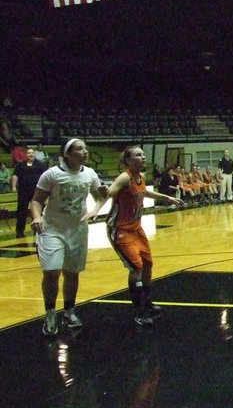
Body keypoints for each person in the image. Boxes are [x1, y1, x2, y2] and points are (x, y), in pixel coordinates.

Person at [29, 138, 108, 335]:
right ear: (67, 153)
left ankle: (69, 311)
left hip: (77, 230)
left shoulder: (90, 173)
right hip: (52, 229)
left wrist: (95, 209)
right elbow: (36, 201)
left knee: (72, 273)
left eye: (85, 148)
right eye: (80, 148)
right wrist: (37, 217)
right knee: (52, 271)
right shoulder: (51, 174)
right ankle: (50, 313)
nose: (85, 151)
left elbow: (101, 195)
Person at [99, 146, 183, 326]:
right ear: (128, 160)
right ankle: (139, 311)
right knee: (136, 267)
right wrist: (104, 191)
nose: (143, 157)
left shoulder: (141, 177)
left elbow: (145, 192)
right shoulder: (124, 177)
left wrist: (167, 198)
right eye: (138, 154)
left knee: (147, 265)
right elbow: (111, 192)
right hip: (120, 229)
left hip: (137, 228)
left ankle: (147, 301)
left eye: (143, 154)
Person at [11, 147, 47, 238]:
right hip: (23, 191)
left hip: (37, 191)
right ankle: (19, 231)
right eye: (29, 153)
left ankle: (38, 229)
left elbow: (46, 177)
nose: (31, 154)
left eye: (32, 153)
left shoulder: (40, 165)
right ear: (26, 155)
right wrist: (14, 186)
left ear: (34, 155)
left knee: (38, 211)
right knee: (21, 211)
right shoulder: (20, 165)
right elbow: (15, 176)